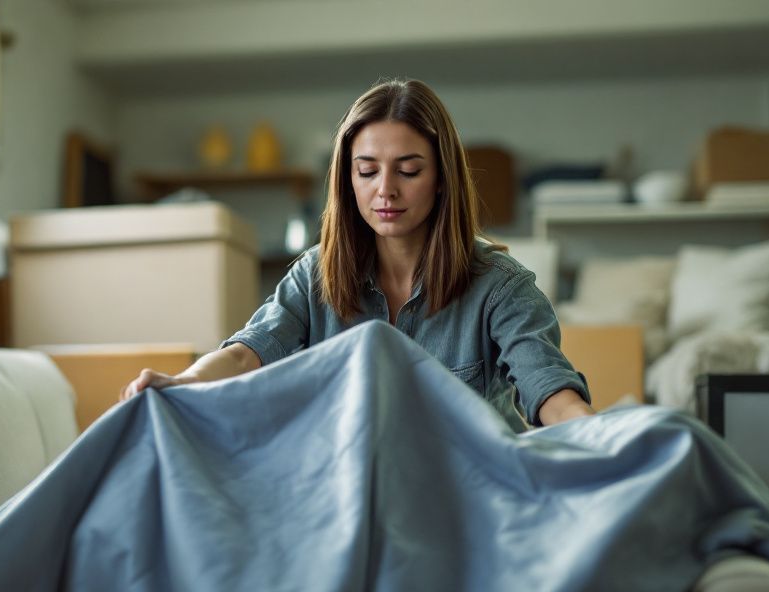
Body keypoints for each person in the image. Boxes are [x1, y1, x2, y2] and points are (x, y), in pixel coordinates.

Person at [122, 78, 593, 430]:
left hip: (467, 493)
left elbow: (548, 387)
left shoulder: (500, 284)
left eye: (408, 171)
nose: (385, 190)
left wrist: (598, 434)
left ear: (442, 179)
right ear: (348, 180)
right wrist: (182, 383)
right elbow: (247, 354)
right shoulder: (314, 276)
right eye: (367, 171)